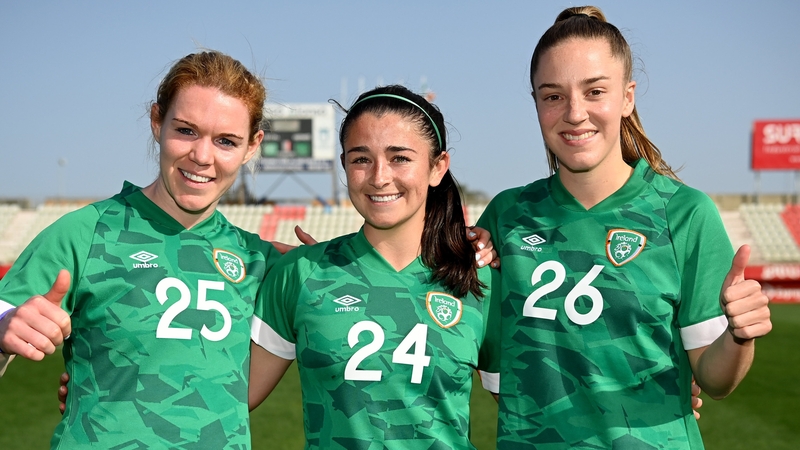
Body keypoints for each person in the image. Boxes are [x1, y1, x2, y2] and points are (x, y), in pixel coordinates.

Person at [476, 6, 772, 449]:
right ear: (535, 102)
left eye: (595, 91)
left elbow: (715, 379)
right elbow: (498, 374)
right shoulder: (505, 216)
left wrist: (739, 334)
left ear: (627, 97)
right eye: (553, 96)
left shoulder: (685, 213)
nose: (575, 113)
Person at [0, 50, 284, 448]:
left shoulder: (260, 261)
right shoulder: (84, 232)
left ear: (252, 146)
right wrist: (3, 332)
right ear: (157, 121)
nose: (202, 156)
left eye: (226, 141)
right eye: (186, 131)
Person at [248, 85, 501, 449]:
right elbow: (224, 399)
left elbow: (534, 414)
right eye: (361, 159)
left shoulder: (479, 281)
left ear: (437, 167)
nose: (379, 177)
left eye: (400, 158)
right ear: (344, 165)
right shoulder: (300, 275)